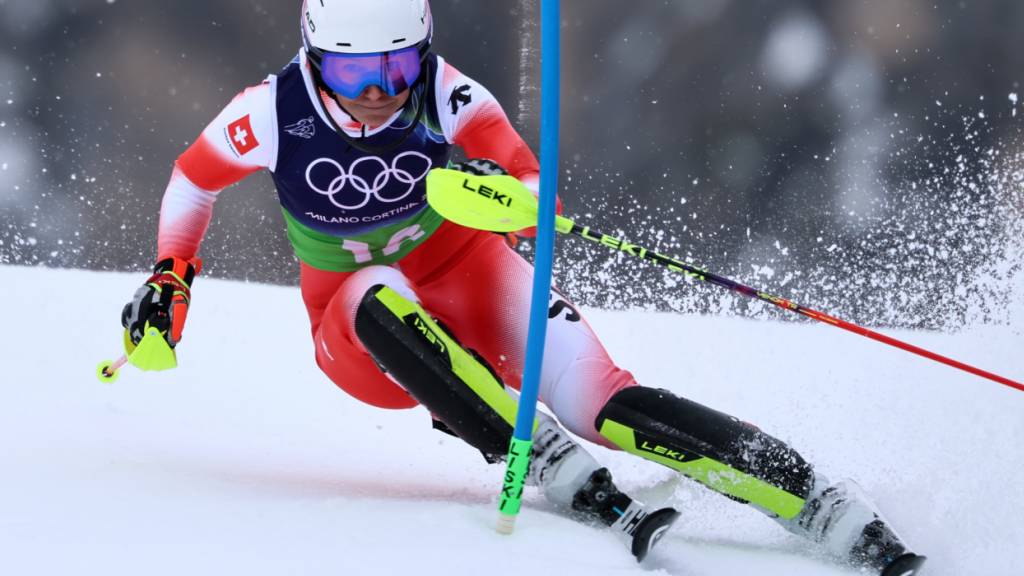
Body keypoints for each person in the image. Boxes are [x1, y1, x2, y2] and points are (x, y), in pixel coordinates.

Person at [119, 1, 924, 573]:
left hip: (470, 274)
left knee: (604, 404)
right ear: (315, 57)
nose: (377, 91)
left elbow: (535, 191)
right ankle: (534, 452)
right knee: (370, 287)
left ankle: (813, 498)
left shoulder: (448, 94)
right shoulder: (266, 114)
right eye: (356, 72)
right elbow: (193, 184)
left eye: (397, 66)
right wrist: (171, 276)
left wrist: (507, 196)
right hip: (360, 336)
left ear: (422, 51)